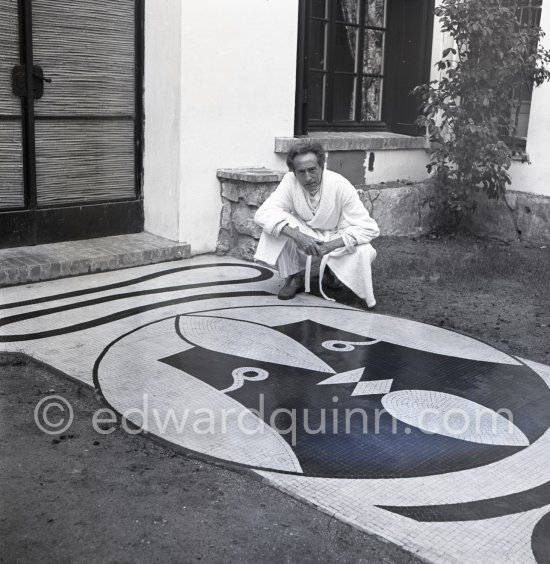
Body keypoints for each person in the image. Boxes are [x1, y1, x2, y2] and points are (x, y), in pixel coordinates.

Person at [254, 141, 380, 307]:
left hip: (337, 234)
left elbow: (370, 228)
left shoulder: (340, 185)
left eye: (312, 170)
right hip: (308, 232)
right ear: (293, 172)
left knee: (364, 250)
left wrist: (330, 246)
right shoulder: (289, 182)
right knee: (275, 222)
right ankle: (295, 277)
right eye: (301, 172)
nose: (307, 178)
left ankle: (333, 274)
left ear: (321, 166)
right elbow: (261, 214)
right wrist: (298, 236)